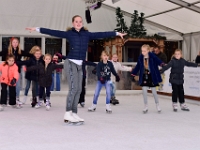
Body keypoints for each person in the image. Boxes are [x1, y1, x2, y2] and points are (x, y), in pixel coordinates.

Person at [26, 15, 126, 124]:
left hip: (80, 64)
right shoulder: (70, 34)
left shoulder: (86, 34)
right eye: (76, 21)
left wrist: (116, 33)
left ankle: (74, 113)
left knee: (79, 89)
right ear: (73, 23)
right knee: (73, 88)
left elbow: (101, 34)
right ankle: (67, 112)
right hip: (70, 63)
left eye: (80, 21)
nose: (78, 23)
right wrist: (37, 29)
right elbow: (53, 32)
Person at [131, 44, 164, 113]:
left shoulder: (152, 56)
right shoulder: (140, 58)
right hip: (144, 76)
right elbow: (138, 66)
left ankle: (157, 105)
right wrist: (134, 72)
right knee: (144, 91)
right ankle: (145, 106)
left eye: (144, 51)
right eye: (142, 51)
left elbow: (158, 60)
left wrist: (162, 64)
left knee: (154, 92)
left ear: (148, 51)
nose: (143, 52)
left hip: (152, 76)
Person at [0, 37, 33, 104]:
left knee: (17, 85)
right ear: (11, 43)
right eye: (14, 42)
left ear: (18, 43)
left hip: (16, 70)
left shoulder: (20, 51)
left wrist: (23, 62)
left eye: (16, 42)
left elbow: (30, 55)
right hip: (8, 71)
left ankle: (17, 98)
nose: (15, 44)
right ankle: (8, 98)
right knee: (7, 86)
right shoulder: (7, 50)